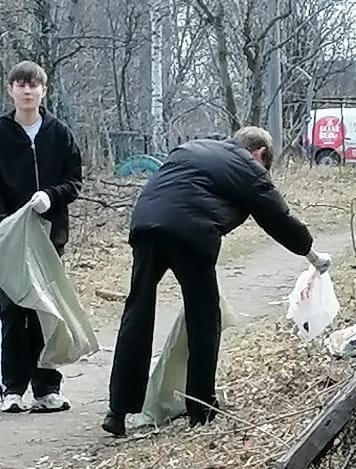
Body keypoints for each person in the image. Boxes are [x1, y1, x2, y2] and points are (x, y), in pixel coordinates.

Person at [101, 126, 330, 439]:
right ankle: (201, 406)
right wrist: (312, 255)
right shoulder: (248, 167)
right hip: (190, 232)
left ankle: (117, 410)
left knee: (137, 310)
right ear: (261, 153)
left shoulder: (193, 147)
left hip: (146, 222)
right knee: (204, 317)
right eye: (266, 164)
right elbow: (279, 218)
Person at [0, 60, 83, 414]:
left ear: (43, 91)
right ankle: (12, 389)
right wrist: (4, 223)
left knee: (47, 311)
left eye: (33, 84)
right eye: (20, 84)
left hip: (50, 238)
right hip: (10, 239)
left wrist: (51, 197)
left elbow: (74, 181)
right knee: (11, 310)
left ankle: (47, 389)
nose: (27, 91)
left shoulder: (59, 133)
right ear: (10, 90)